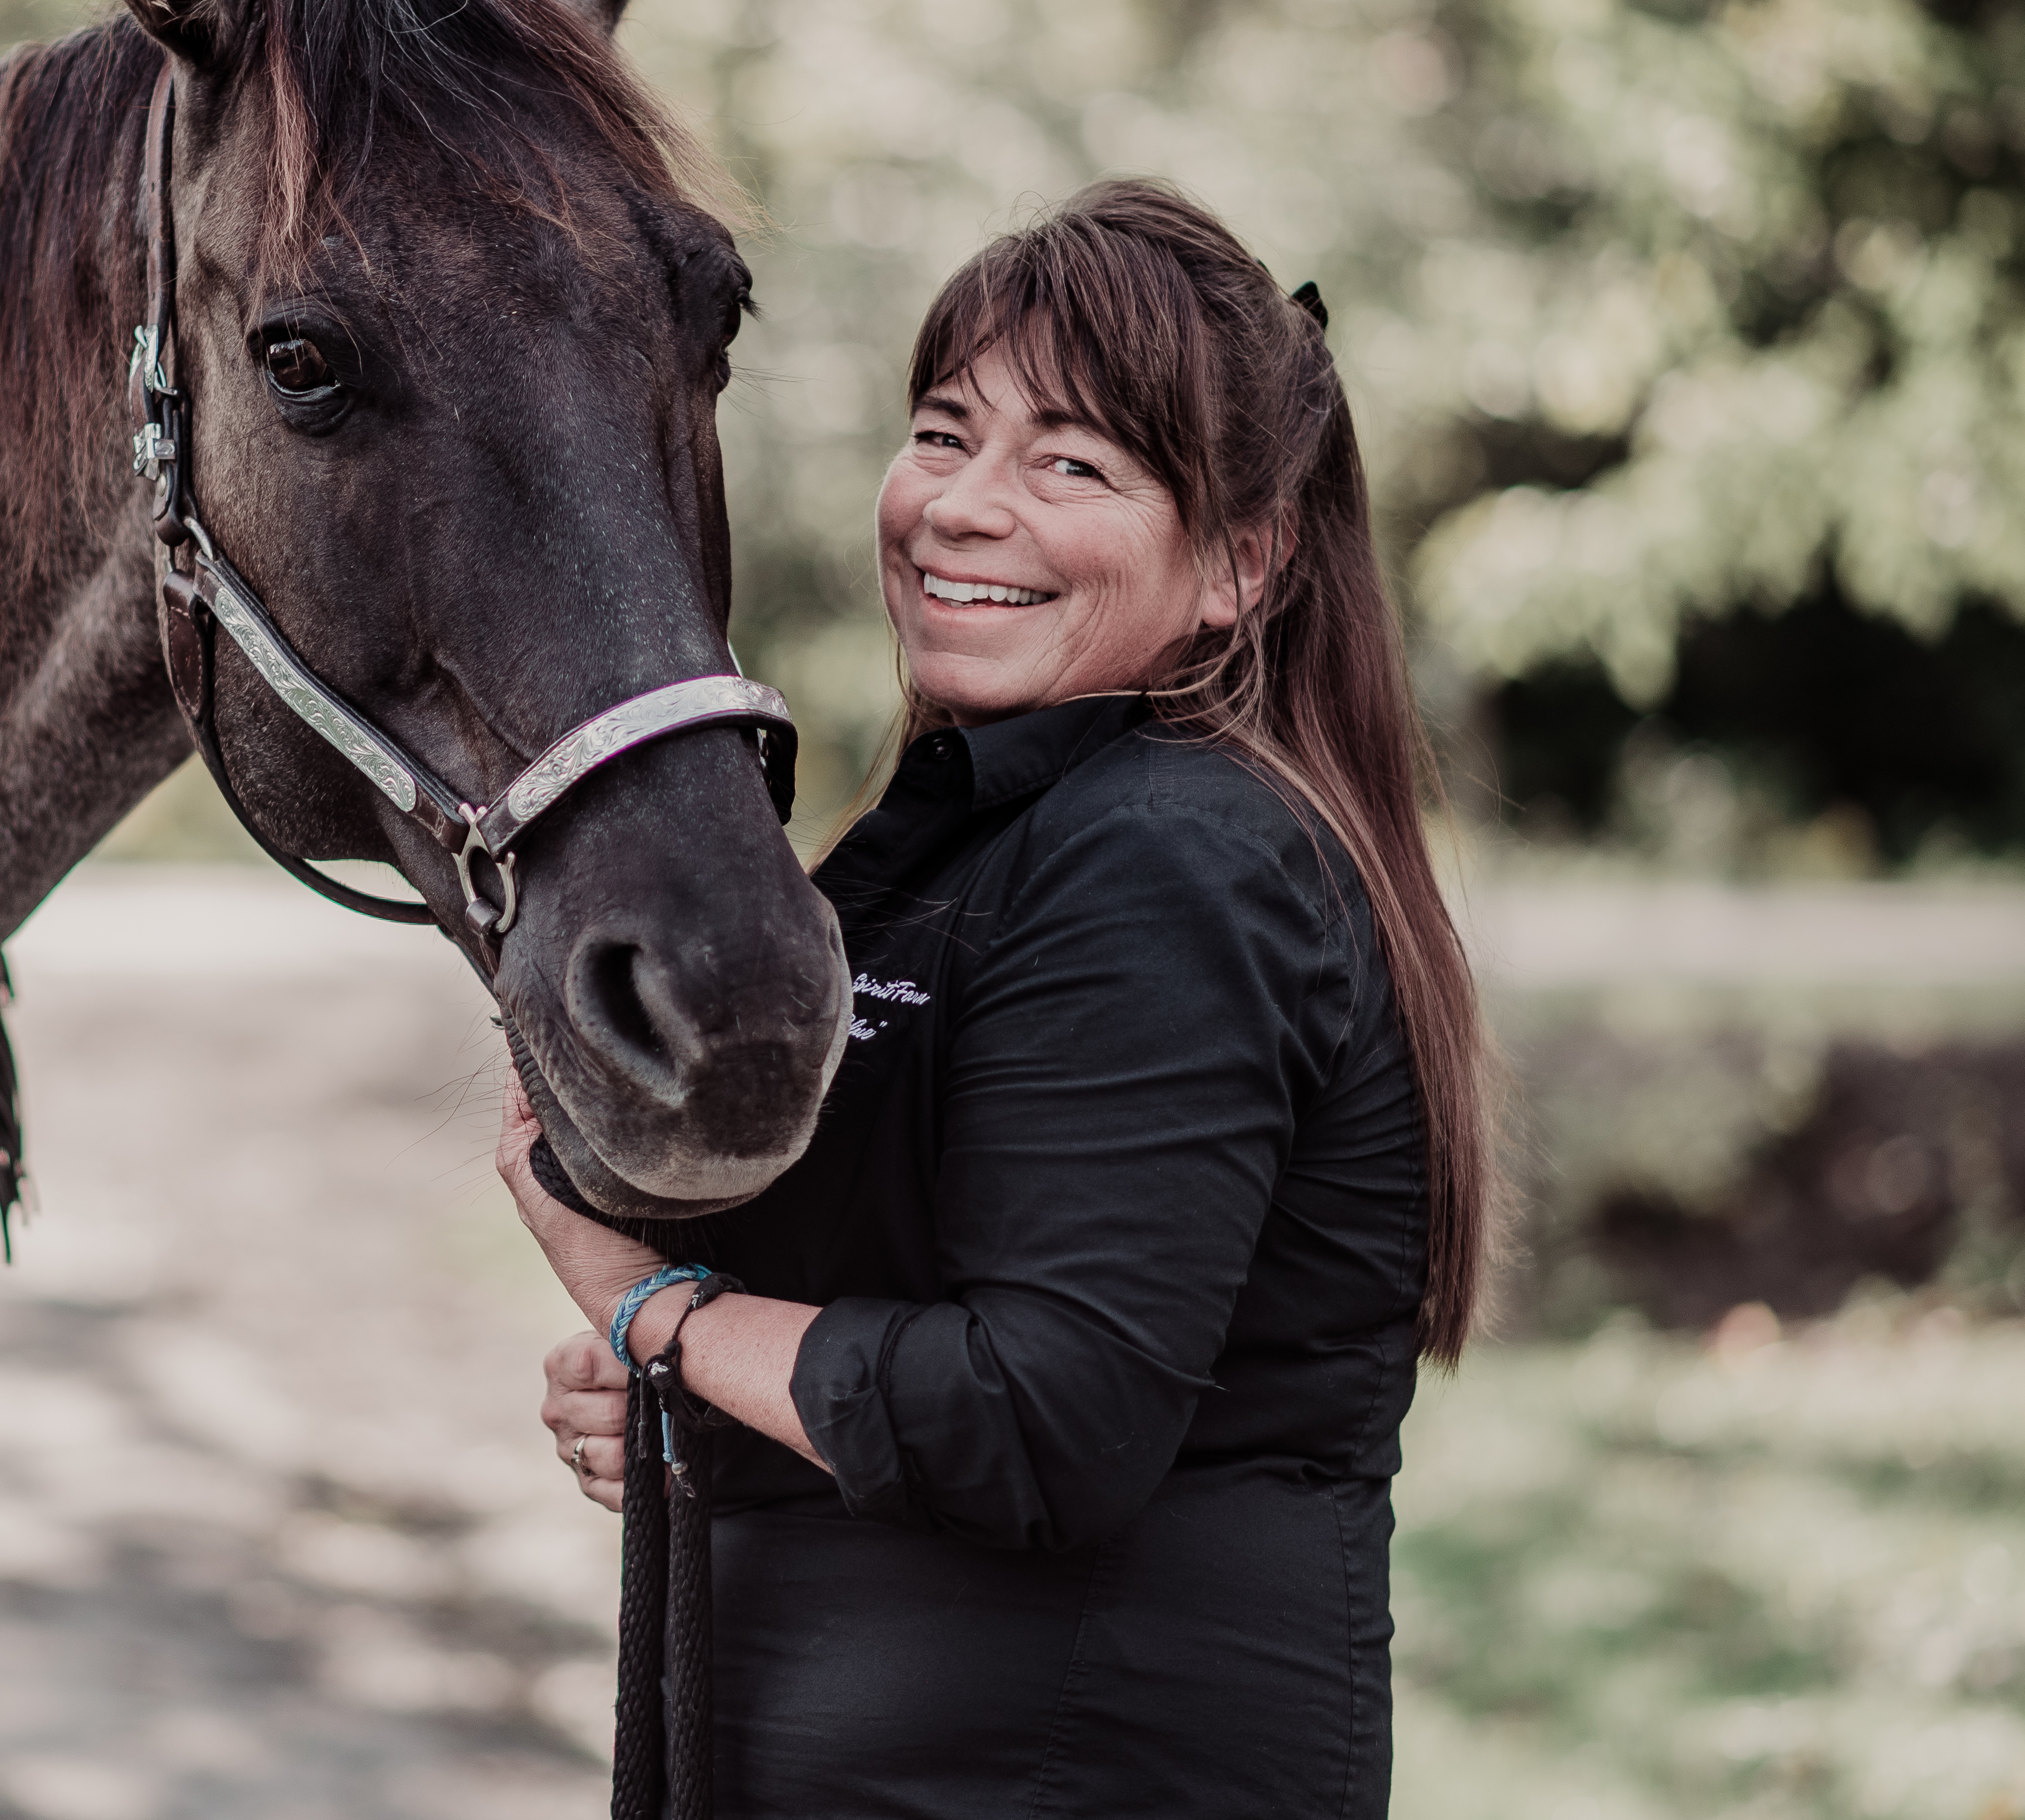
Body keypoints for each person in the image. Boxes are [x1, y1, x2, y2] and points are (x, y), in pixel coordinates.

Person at [495, 178, 1493, 1818]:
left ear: (1240, 564)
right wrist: (714, 1410)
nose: (962, 505)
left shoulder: (1173, 859)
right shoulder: (995, 838)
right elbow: (942, 1309)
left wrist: (654, 1313)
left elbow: (1045, 1418)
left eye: (1070, 465)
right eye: (945, 432)